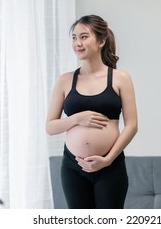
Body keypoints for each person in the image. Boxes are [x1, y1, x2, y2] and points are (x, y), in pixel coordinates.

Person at [46, 14, 138, 209]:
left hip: (110, 167)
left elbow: (132, 125)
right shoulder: (64, 80)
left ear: (101, 41)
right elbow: (50, 126)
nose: (77, 43)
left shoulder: (120, 79)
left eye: (84, 37)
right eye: (74, 37)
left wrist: (107, 160)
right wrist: (77, 119)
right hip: (73, 167)